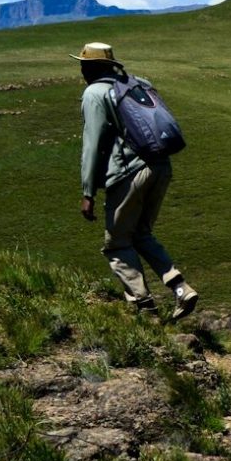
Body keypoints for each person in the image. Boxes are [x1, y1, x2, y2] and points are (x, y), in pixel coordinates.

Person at [72, 42, 197, 319]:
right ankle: (180, 289)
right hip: (160, 166)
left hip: (129, 173)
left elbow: (92, 143)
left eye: (84, 64)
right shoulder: (138, 83)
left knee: (117, 243)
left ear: (94, 67)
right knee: (140, 233)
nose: (81, 69)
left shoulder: (95, 93)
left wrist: (88, 192)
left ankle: (145, 308)